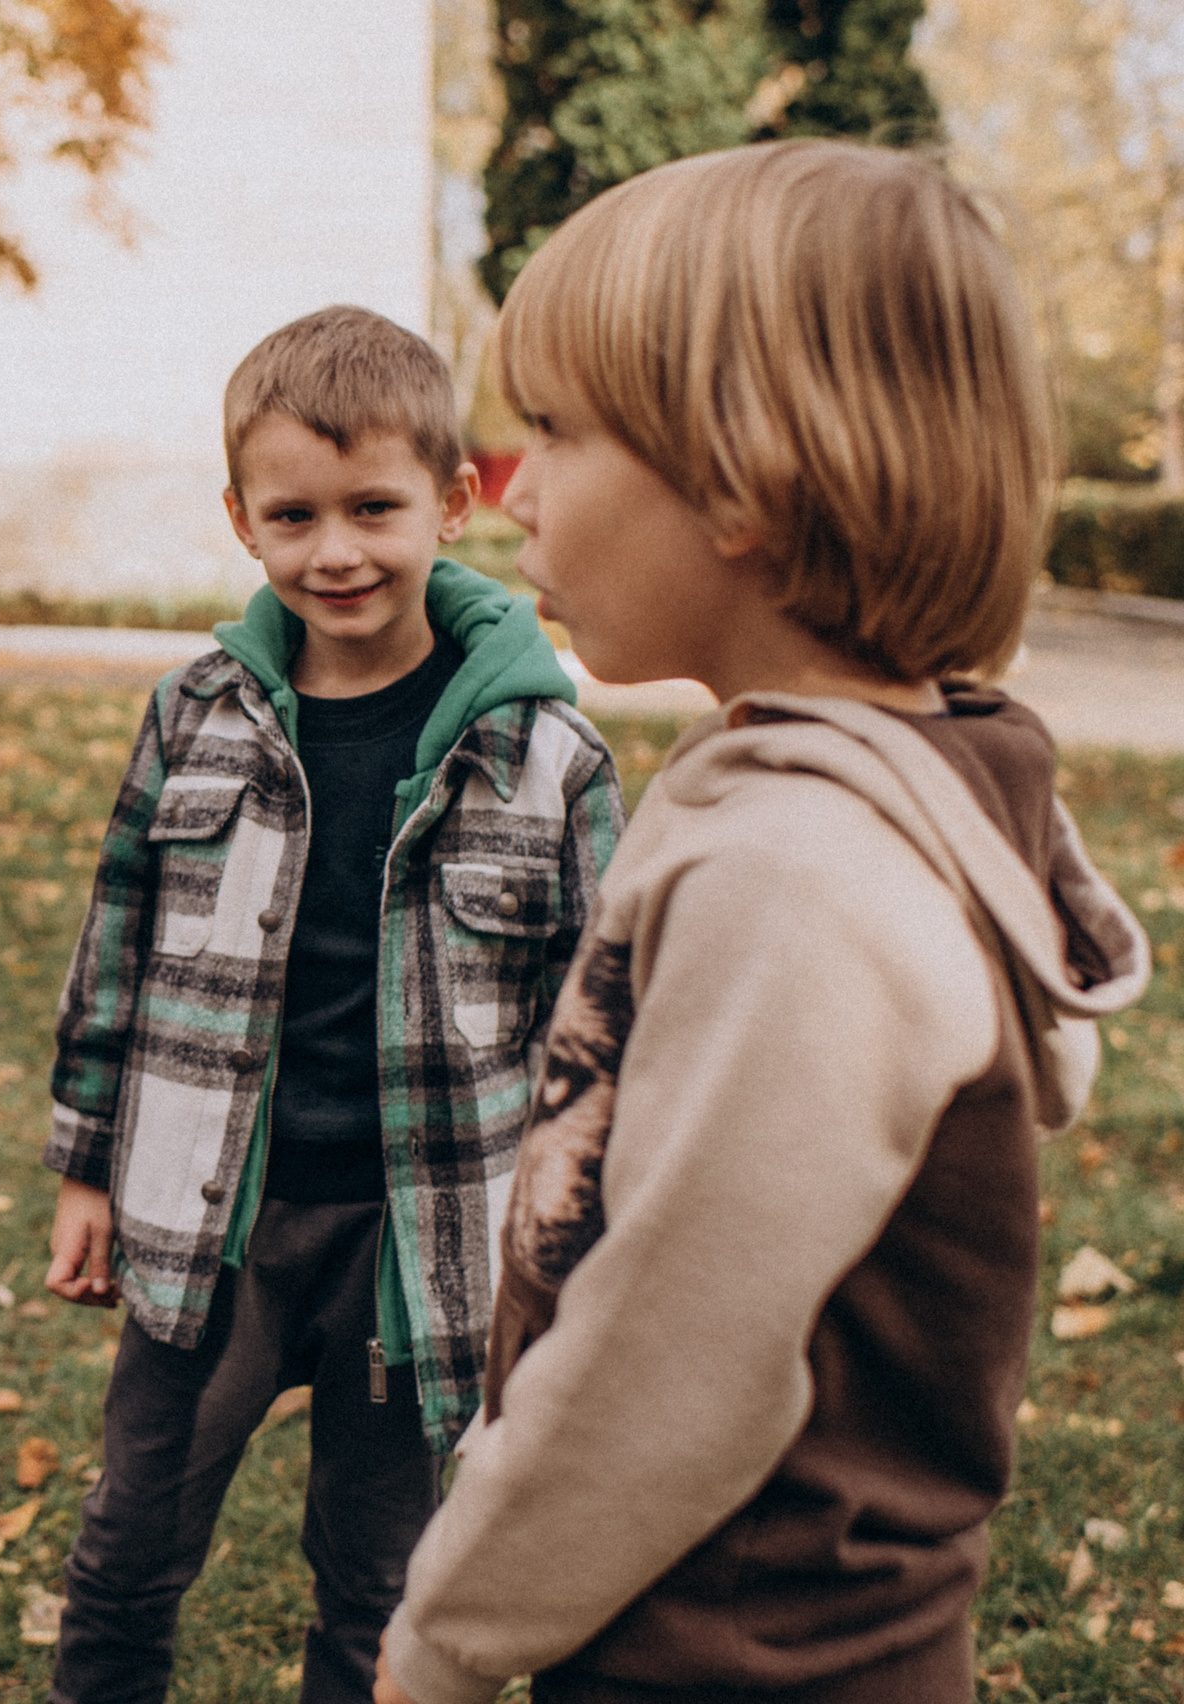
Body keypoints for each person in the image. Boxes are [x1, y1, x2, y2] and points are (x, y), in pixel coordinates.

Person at [372, 142, 1153, 1704]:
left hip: (732, 1659)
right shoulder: (856, 793)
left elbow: (671, 1369)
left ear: (741, 477)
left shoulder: (804, 880)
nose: (508, 488)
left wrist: (444, 1643)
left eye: (556, 431)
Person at [41, 304, 627, 1704]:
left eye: (375, 507)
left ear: (457, 499)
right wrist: (84, 1169)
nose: (338, 551)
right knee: (127, 1549)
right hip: (212, 1216)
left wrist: (574, 1241)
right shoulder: (199, 715)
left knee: (382, 1582)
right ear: (243, 521)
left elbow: (602, 1028)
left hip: (420, 1239)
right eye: (295, 516)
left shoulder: (543, 751)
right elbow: (115, 946)